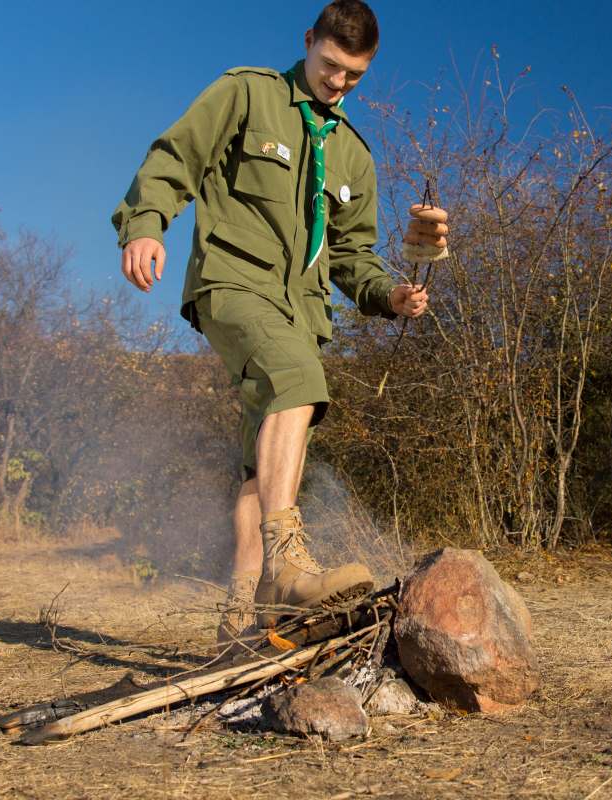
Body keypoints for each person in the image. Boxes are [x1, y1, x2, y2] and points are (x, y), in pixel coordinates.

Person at [110, 0, 449, 653]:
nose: (339, 83)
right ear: (308, 43)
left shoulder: (352, 155)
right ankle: (289, 569)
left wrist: (395, 295)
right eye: (330, 67)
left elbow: (354, 258)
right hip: (233, 284)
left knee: (263, 473)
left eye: (354, 75)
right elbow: (176, 155)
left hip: (301, 313)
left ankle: (240, 621)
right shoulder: (248, 95)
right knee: (298, 384)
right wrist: (147, 223)